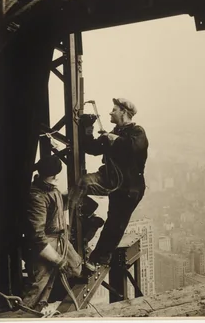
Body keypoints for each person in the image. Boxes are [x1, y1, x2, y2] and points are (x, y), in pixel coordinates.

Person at [73, 98, 148, 271]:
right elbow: (91, 148)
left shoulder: (137, 132)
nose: (110, 112)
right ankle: (89, 221)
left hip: (130, 189)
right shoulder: (115, 132)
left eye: (114, 110)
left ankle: (100, 258)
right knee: (82, 183)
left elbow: (134, 147)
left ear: (123, 112)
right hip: (112, 181)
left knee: (115, 223)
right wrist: (87, 128)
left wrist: (113, 138)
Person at [22, 154, 82, 312]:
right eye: (53, 176)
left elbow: (56, 205)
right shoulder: (37, 197)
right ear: (45, 175)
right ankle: (23, 315)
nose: (56, 178)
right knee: (39, 288)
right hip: (46, 244)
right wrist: (57, 260)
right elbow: (37, 237)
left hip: (60, 240)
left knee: (76, 268)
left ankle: (49, 303)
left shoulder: (49, 188)